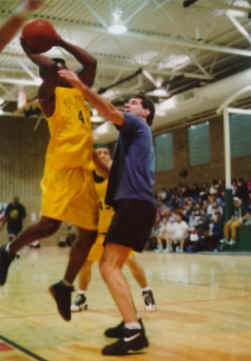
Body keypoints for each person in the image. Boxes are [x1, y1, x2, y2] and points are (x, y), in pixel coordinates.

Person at [0, 28, 99, 323]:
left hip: (83, 170)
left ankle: (64, 286)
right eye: (55, 69)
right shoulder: (48, 96)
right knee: (48, 226)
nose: (62, 69)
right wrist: (32, 51)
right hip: (61, 167)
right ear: (48, 76)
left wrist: (60, 41)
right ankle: (8, 250)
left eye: (64, 66)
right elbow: (49, 69)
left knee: (89, 234)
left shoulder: (78, 90)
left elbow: (92, 64)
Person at [58, 69, 156, 355]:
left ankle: (134, 331)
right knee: (111, 265)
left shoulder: (138, 126)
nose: (130, 104)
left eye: (136, 102)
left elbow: (109, 109)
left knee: (107, 266)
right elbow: (112, 172)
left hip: (135, 205)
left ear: (146, 112)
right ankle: (131, 324)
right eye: (130, 102)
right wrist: (88, 151)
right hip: (137, 204)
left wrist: (79, 86)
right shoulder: (132, 141)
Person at [71, 147, 156, 313]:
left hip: (118, 229)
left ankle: (146, 291)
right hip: (98, 231)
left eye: (105, 153)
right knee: (85, 263)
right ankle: (81, 296)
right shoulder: (89, 179)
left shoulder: (116, 174)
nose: (102, 155)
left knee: (131, 262)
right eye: (99, 153)